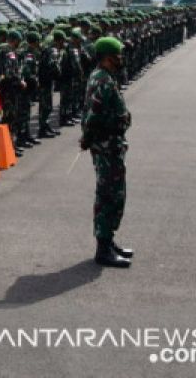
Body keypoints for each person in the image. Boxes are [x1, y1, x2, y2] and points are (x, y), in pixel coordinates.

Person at [79, 37, 133, 269]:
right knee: (109, 194)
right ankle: (103, 249)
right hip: (106, 146)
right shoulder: (102, 80)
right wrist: (89, 138)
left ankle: (108, 241)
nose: (121, 58)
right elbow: (93, 116)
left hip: (110, 144)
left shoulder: (104, 77)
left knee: (114, 193)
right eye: (118, 55)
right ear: (107, 57)